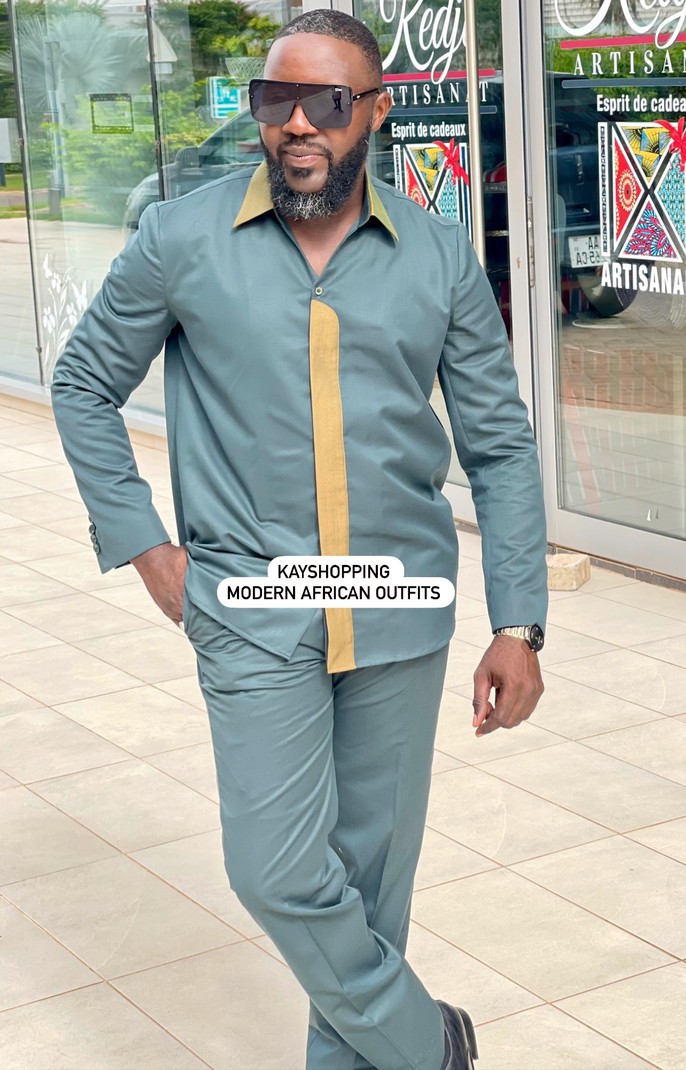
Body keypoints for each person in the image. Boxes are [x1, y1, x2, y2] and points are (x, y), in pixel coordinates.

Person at [51, 10, 547, 1070]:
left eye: (325, 101)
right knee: (276, 871)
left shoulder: (438, 258)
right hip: (250, 606)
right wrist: (144, 543)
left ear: (374, 111)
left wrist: (518, 623)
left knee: (369, 888)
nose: (297, 125)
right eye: (275, 100)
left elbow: (499, 445)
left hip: (398, 609)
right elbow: (84, 382)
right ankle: (429, 1044)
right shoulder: (180, 238)